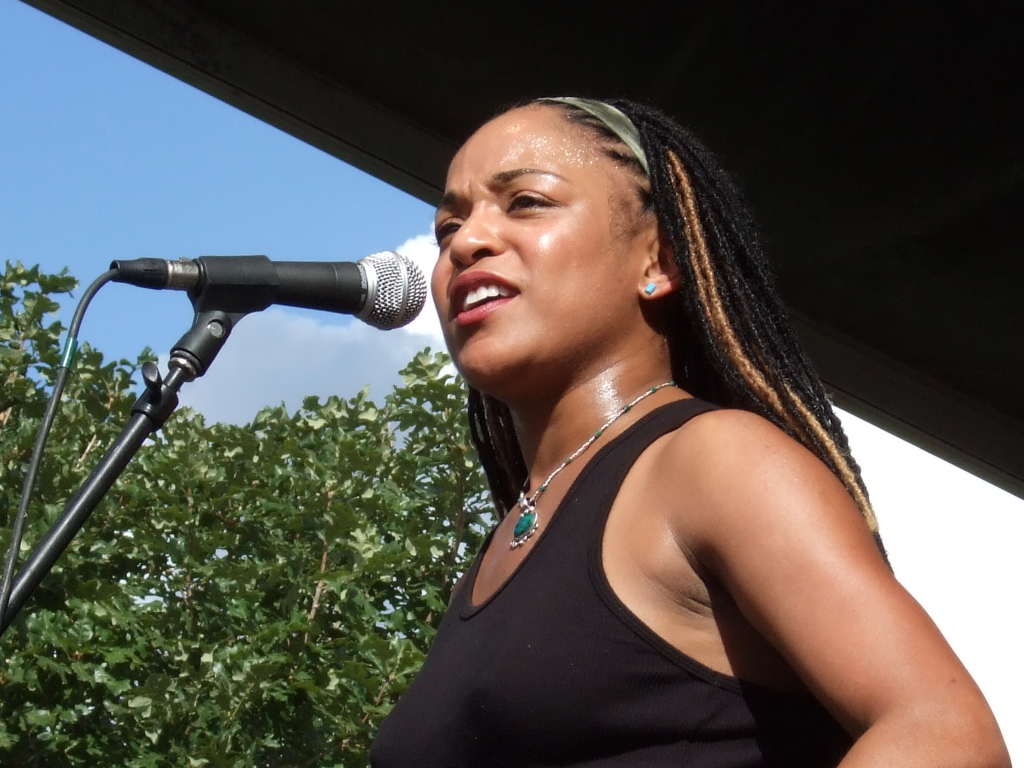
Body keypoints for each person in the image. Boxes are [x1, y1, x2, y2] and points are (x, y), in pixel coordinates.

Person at [369, 97, 1009, 767]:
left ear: (660, 262)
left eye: (526, 202)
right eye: (448, 226)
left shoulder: (717, 461)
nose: (466, 241)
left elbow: (947, 735)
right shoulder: (499, 549)